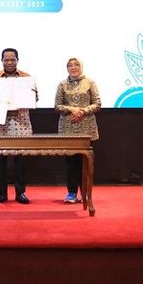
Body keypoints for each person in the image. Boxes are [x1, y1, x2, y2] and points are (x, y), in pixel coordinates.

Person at [0, 48, 36, 204]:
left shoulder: (26, 78)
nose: (9, 62)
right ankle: (1, 193)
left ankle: (20, 192)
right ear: (2, 61)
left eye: (12, 59)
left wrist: (32, 94)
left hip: (21, 123)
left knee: (20, 160)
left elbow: (35, 99)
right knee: (0, 160)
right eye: (6, 60)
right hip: (0, 123)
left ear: (17, 60)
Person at [54, 57, 101, 203]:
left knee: (85, 162)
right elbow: (57, 106)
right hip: (67, 128)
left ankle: (85, 193)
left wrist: (83, 111)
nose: (73, 67)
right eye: (70, 65)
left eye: (76, 65)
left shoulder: (90, 82)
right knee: (70, 162)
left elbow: (97, 104)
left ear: (81, 66)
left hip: (86, 128)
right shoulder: (62, 84)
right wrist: (71, 109)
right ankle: (72, 193)